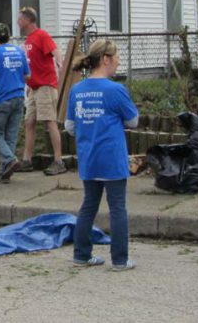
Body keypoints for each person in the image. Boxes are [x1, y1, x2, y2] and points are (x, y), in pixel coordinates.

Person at [65, 39, 138, 271]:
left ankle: (81, 255)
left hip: (89, 157)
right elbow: (133, 121)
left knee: (88, 206)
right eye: (116, 56)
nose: (118, 61)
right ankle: (119, 259)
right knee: (117, 207)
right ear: (106, 59)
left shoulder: (77, 90)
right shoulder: (116, 90)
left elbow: (69, 126)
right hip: (112, 158)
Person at [17, 7, 66, 175]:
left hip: (46, 86)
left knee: (49, 121)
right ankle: (27, 160)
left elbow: (55, 50)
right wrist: (28, 87)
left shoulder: (41, 35)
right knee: (29, 122)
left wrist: (60, 64)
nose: (18, 21)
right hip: (33, 87)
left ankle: (59, 161)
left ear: (29, 20)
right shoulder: (28, 39)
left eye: (20, 19)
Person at [0, 23, 30, 184]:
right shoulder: (19, 51)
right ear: (9, 36)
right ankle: (5, 172)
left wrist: (0, 73)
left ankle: (10, 160)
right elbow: (27, 76)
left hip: (3, 98)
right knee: (10, 135)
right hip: (19, 97)